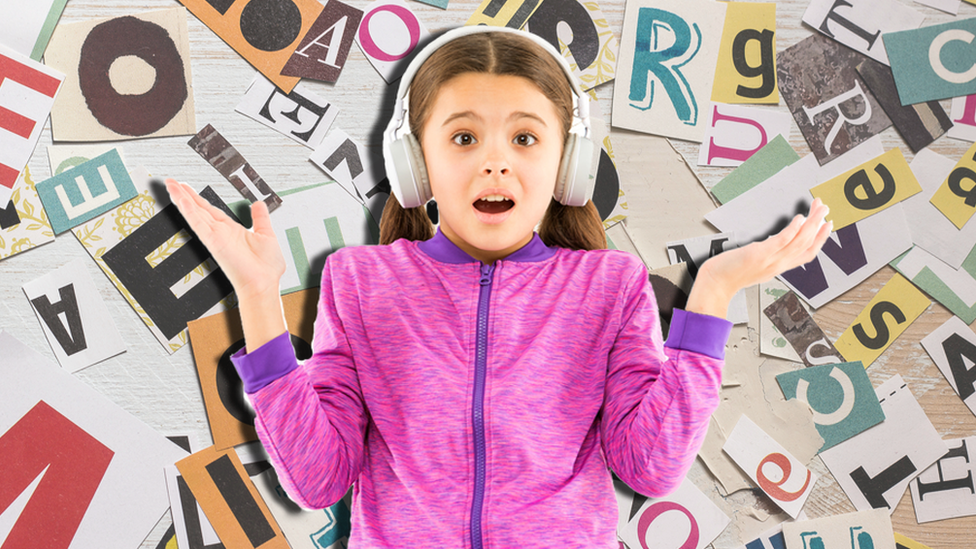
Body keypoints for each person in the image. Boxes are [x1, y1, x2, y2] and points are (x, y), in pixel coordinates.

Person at [166, 26, 831, 549]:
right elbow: (318, 479)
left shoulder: (610, 285)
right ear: (415, 161)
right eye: (463, 136)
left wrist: (710, 296)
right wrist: (257, 297)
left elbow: (651, 468)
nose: (495, 159)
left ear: (567, 163)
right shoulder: (361, 281)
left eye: (524, 137)